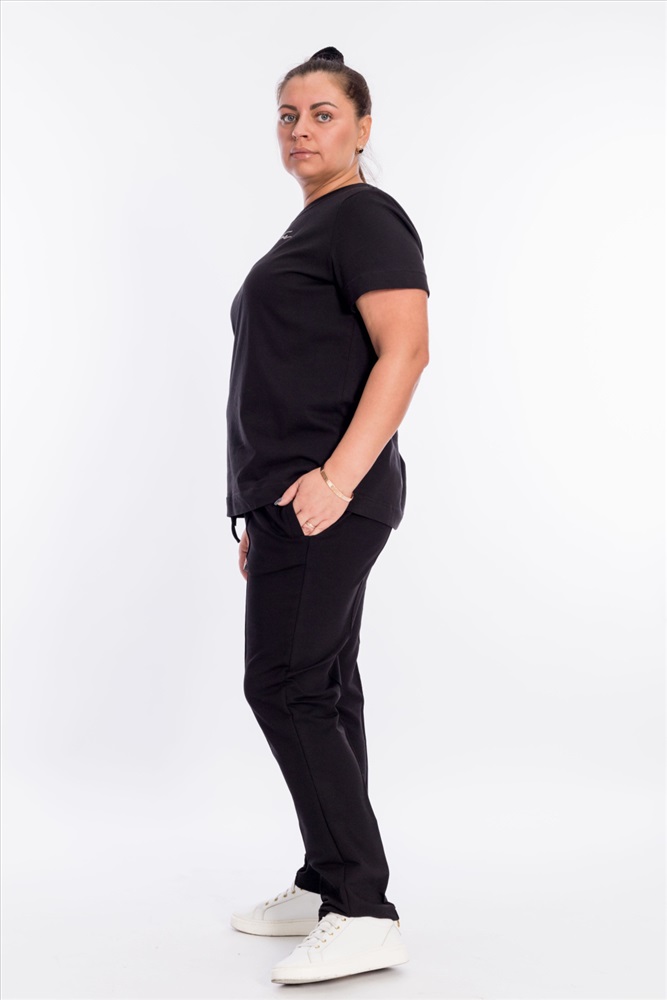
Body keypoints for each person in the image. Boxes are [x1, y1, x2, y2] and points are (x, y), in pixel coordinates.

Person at [225, 46, 430, 986]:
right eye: (287, 115)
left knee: (286, 685)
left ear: (361, 127)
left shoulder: (364, 217)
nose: (300, 130)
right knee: (325, 686)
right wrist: (254, 510)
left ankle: (362, 908)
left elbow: (405, 351)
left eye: (321, 114)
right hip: (291, 504)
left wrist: (335, 482)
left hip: (328, 497)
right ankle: (325, 883)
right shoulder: (311, 227)